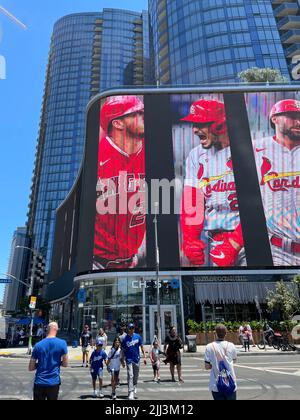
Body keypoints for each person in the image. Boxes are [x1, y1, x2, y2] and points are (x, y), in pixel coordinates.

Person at [210, 98, 300, 267]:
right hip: (277, 250)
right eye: (292, 116)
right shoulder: (255, 150)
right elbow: (248, 204)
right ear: (275, 118)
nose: (298, 121)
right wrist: (232, 244)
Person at [180, 99, 245, 267]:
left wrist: (234, 243)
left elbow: (263, 206)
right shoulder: (196, 156)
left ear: (220, 125)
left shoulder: (247, 148)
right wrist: (190, 241)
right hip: (216, 242)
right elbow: (192, 203)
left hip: (247, 240)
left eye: (200, 124)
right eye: (193, 124)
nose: (194, 130)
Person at [93, 95, 146, 270]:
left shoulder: (151, 150)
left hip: (134, 259)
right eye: (138, 112)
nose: (144, 114)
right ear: (118, 123)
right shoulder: (97, 157)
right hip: (98, 262)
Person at [28, 322, 68, 401]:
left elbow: (31, 367)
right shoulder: (62, 343)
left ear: (48, 330)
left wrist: (39, 364)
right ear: (56, 329)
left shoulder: (38, 345)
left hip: (39, 382)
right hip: (53, 382)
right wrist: (57, 363)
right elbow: (65, 364)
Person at [204, 324, 237, 401]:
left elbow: (207, 366)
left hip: (216, 384)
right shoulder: (231, 345)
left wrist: (214, 365)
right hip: (230, 382)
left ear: (215, 334)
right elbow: (234, 360)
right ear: (226, 333)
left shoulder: (209, 346)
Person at [121, 323, 147, 400]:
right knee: (130, 375)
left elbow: (142, 346)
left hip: (137, 359)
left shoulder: (138, 336)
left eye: (133, 328)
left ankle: (134, 385)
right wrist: (122, 359)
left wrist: (145, 357)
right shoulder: (125, 339)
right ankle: (130, 392)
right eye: (130, 328)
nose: (132, 329)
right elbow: (123, 350)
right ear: (128, 329)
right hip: (128, 359)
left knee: (136, 375)